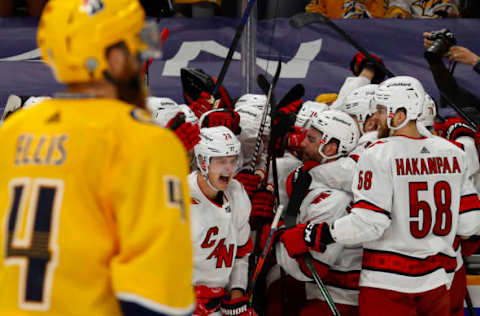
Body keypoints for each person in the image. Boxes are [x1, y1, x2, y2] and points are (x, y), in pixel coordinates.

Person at [0, 0, 195, 315]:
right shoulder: (144, 140)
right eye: (138, 41)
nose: (145, 50)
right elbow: (156, 299)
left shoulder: (14, 131)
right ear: (115, 59)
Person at [308, 76, 480, 316]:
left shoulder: (378, 153)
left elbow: (369, 224)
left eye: (380, 109)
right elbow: (470, 223)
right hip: (437, 282)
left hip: (386, 284)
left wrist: (322, 232)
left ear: (399, 115)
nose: (375, 117)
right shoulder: (454, 152)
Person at [271, 110, 361, 315]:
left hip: (336, 301)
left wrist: (275, 240)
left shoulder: (335, 198)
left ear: (330, 148)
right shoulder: (325, 181)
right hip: (332, 295)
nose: (302, 143)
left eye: (311, 139)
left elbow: (310, 270)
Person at [190, 126, 254, 316]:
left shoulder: (238, 193)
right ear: (202, 162)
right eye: (221, 161)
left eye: (233, 161)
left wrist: (236, 295)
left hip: (218, 304)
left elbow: (241, 255)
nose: (229, 168)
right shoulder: (179, 199)